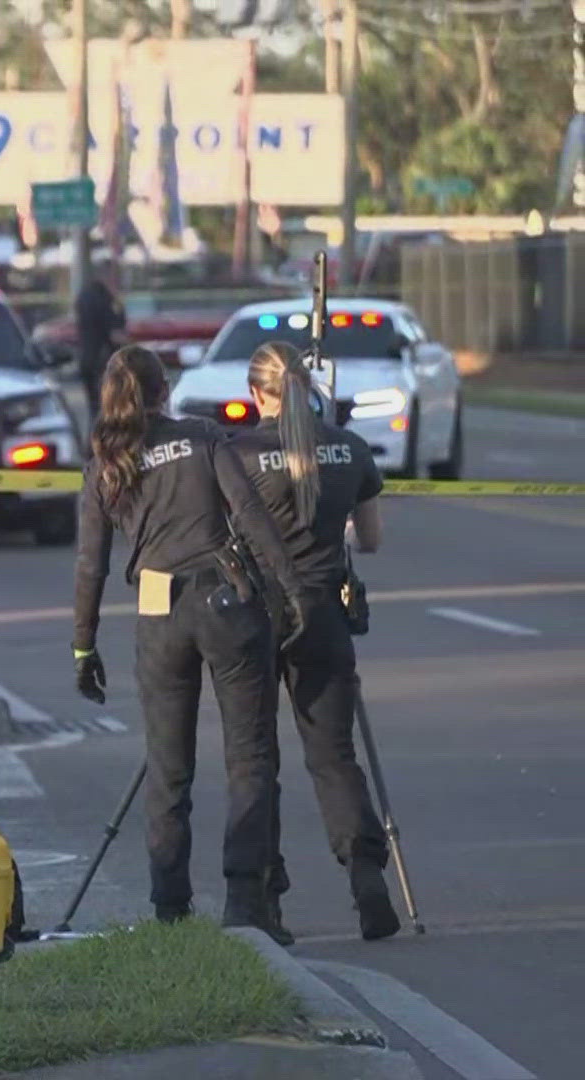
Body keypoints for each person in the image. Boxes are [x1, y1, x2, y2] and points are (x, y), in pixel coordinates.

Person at [72, 345, 307, 940]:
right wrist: (292, 591)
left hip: (158, 614)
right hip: (228, 605)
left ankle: (170, 909)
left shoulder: (106, 461)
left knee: (168, 768)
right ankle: (244, 904)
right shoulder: (204, 437)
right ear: (163, 390)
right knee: (250, 757)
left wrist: (83, 646)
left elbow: (91, 565)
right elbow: (251, 516)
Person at [227, 341, 400, 942]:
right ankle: (366, 877)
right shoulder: (349, 449)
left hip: (256, 617)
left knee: (256, 759)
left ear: (255, 393)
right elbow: (371, 540)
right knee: (333, 756)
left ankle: (266, 899)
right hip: (325, 613)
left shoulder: (239, 453)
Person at [74, 270, 127, 422]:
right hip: (105, 361)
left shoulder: (84, 296)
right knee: (111, 408)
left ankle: (92, 441)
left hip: (87, 359)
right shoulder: (108, 300)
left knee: (94, 409)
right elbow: (116, 335)